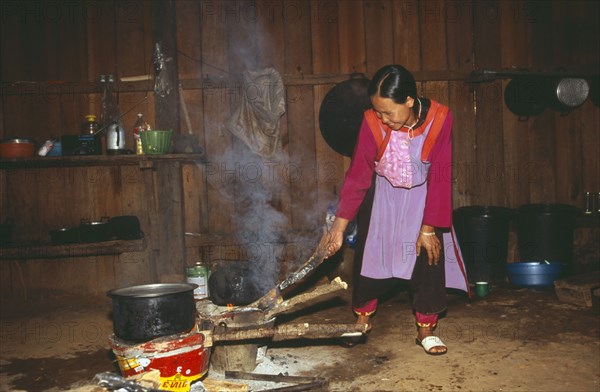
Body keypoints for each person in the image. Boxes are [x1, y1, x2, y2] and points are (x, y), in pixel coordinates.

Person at [321, 64, 469, 355]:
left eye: (389, 112)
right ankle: (363, 318)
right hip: (383, 196)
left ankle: (426, 327)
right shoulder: (371, 121)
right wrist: (337, 229)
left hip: (423, 196)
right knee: (371, 253)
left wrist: (428, 228)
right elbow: (358, 176)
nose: (382, 119)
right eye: (378, 112)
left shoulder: (441, 118)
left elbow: (440, 174)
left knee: (428, 254)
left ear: (410, 101)